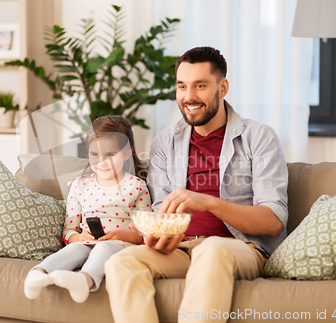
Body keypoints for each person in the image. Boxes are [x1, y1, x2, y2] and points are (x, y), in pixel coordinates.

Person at [105, 47, 288, 323]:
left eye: (200, 86)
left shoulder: (258, 138)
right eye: (182, 86)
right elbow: (161, 210)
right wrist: (155, 232)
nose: (189, 97)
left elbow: (274, 221)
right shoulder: (165, 142)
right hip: (181, 248)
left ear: (222, 87)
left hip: (239, 248)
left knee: (211, 250)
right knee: (121, 262)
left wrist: (208, 202)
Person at [24, 115, 151, 303]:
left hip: (121, 246)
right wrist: (78, 238)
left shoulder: (137, 186)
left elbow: (145, 234)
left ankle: (84, 281)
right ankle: (38, 274)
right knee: (73, 250)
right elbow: (69, 229)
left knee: (104, 247)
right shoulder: (78, 186)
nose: (101, 162)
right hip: (86, 243)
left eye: (110, 155)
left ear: (127, 152)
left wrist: (120, 235)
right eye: (94, 155)